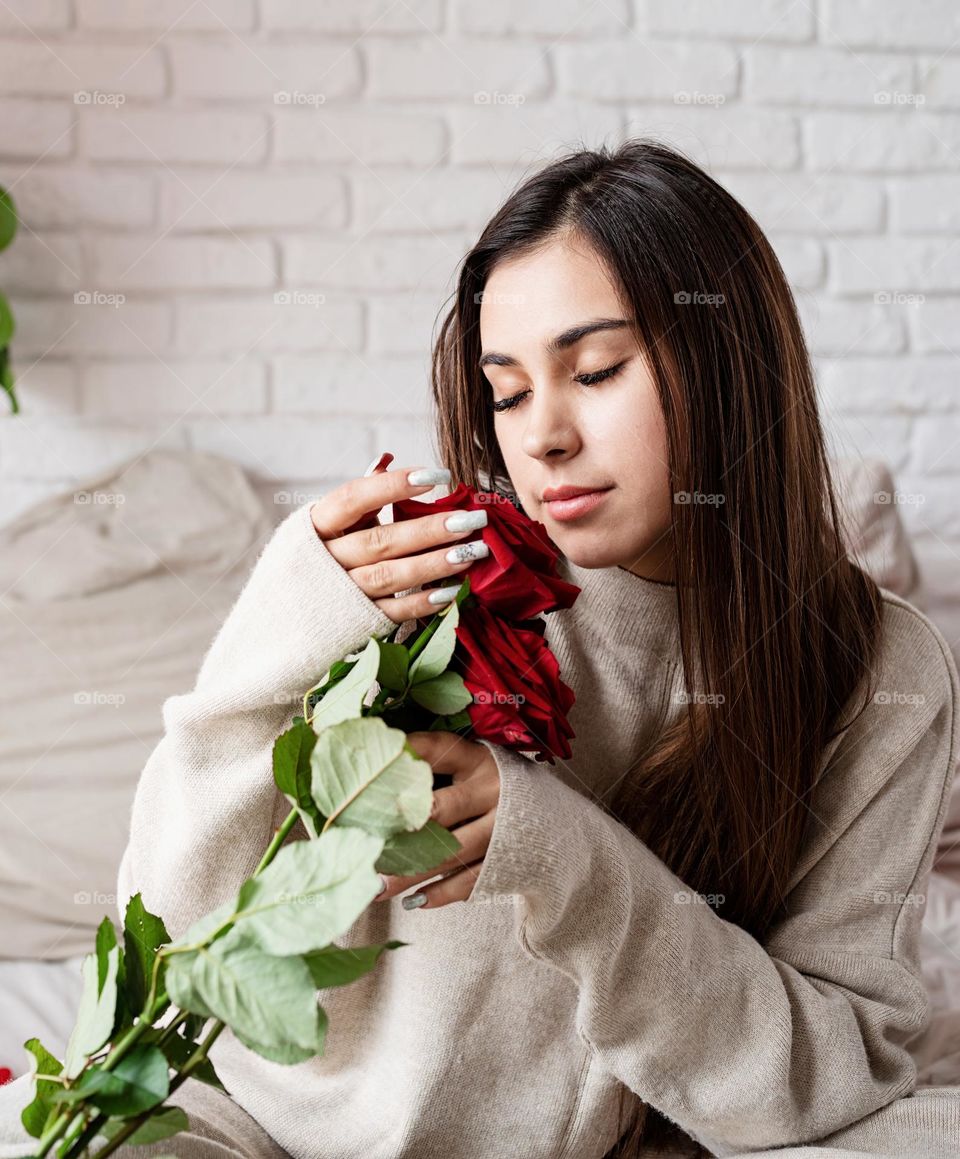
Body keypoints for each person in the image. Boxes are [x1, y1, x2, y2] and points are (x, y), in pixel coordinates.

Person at [3, 138, 958, 1159]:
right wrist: (276, 632)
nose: (541, 436)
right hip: (249, 1122)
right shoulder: (427, 575)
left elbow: (821, 1075)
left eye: (593, 371)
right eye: (505, 391)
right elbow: (173, 922)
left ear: (728, 361)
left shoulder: (877, 669)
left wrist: (564, 858)